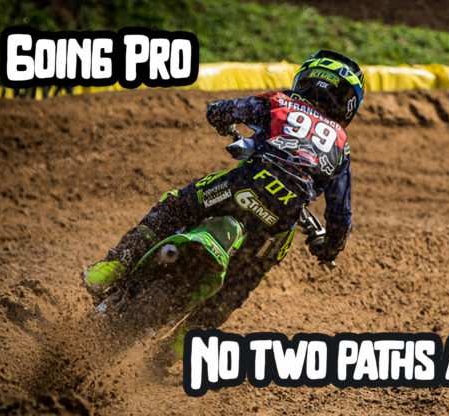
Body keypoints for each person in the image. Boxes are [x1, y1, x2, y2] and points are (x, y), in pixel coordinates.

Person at [82, 50, 364, 325]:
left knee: (176, 204)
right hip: (282, 219)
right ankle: (183, 342)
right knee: (243, 280)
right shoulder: (342, 146)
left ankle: (115, 265)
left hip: (242, 185)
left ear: (306, 78)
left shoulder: (281, 101)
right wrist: (330, 248)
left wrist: (219, 118)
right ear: (349, 105)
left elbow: (223, 110)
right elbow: (341, 214)